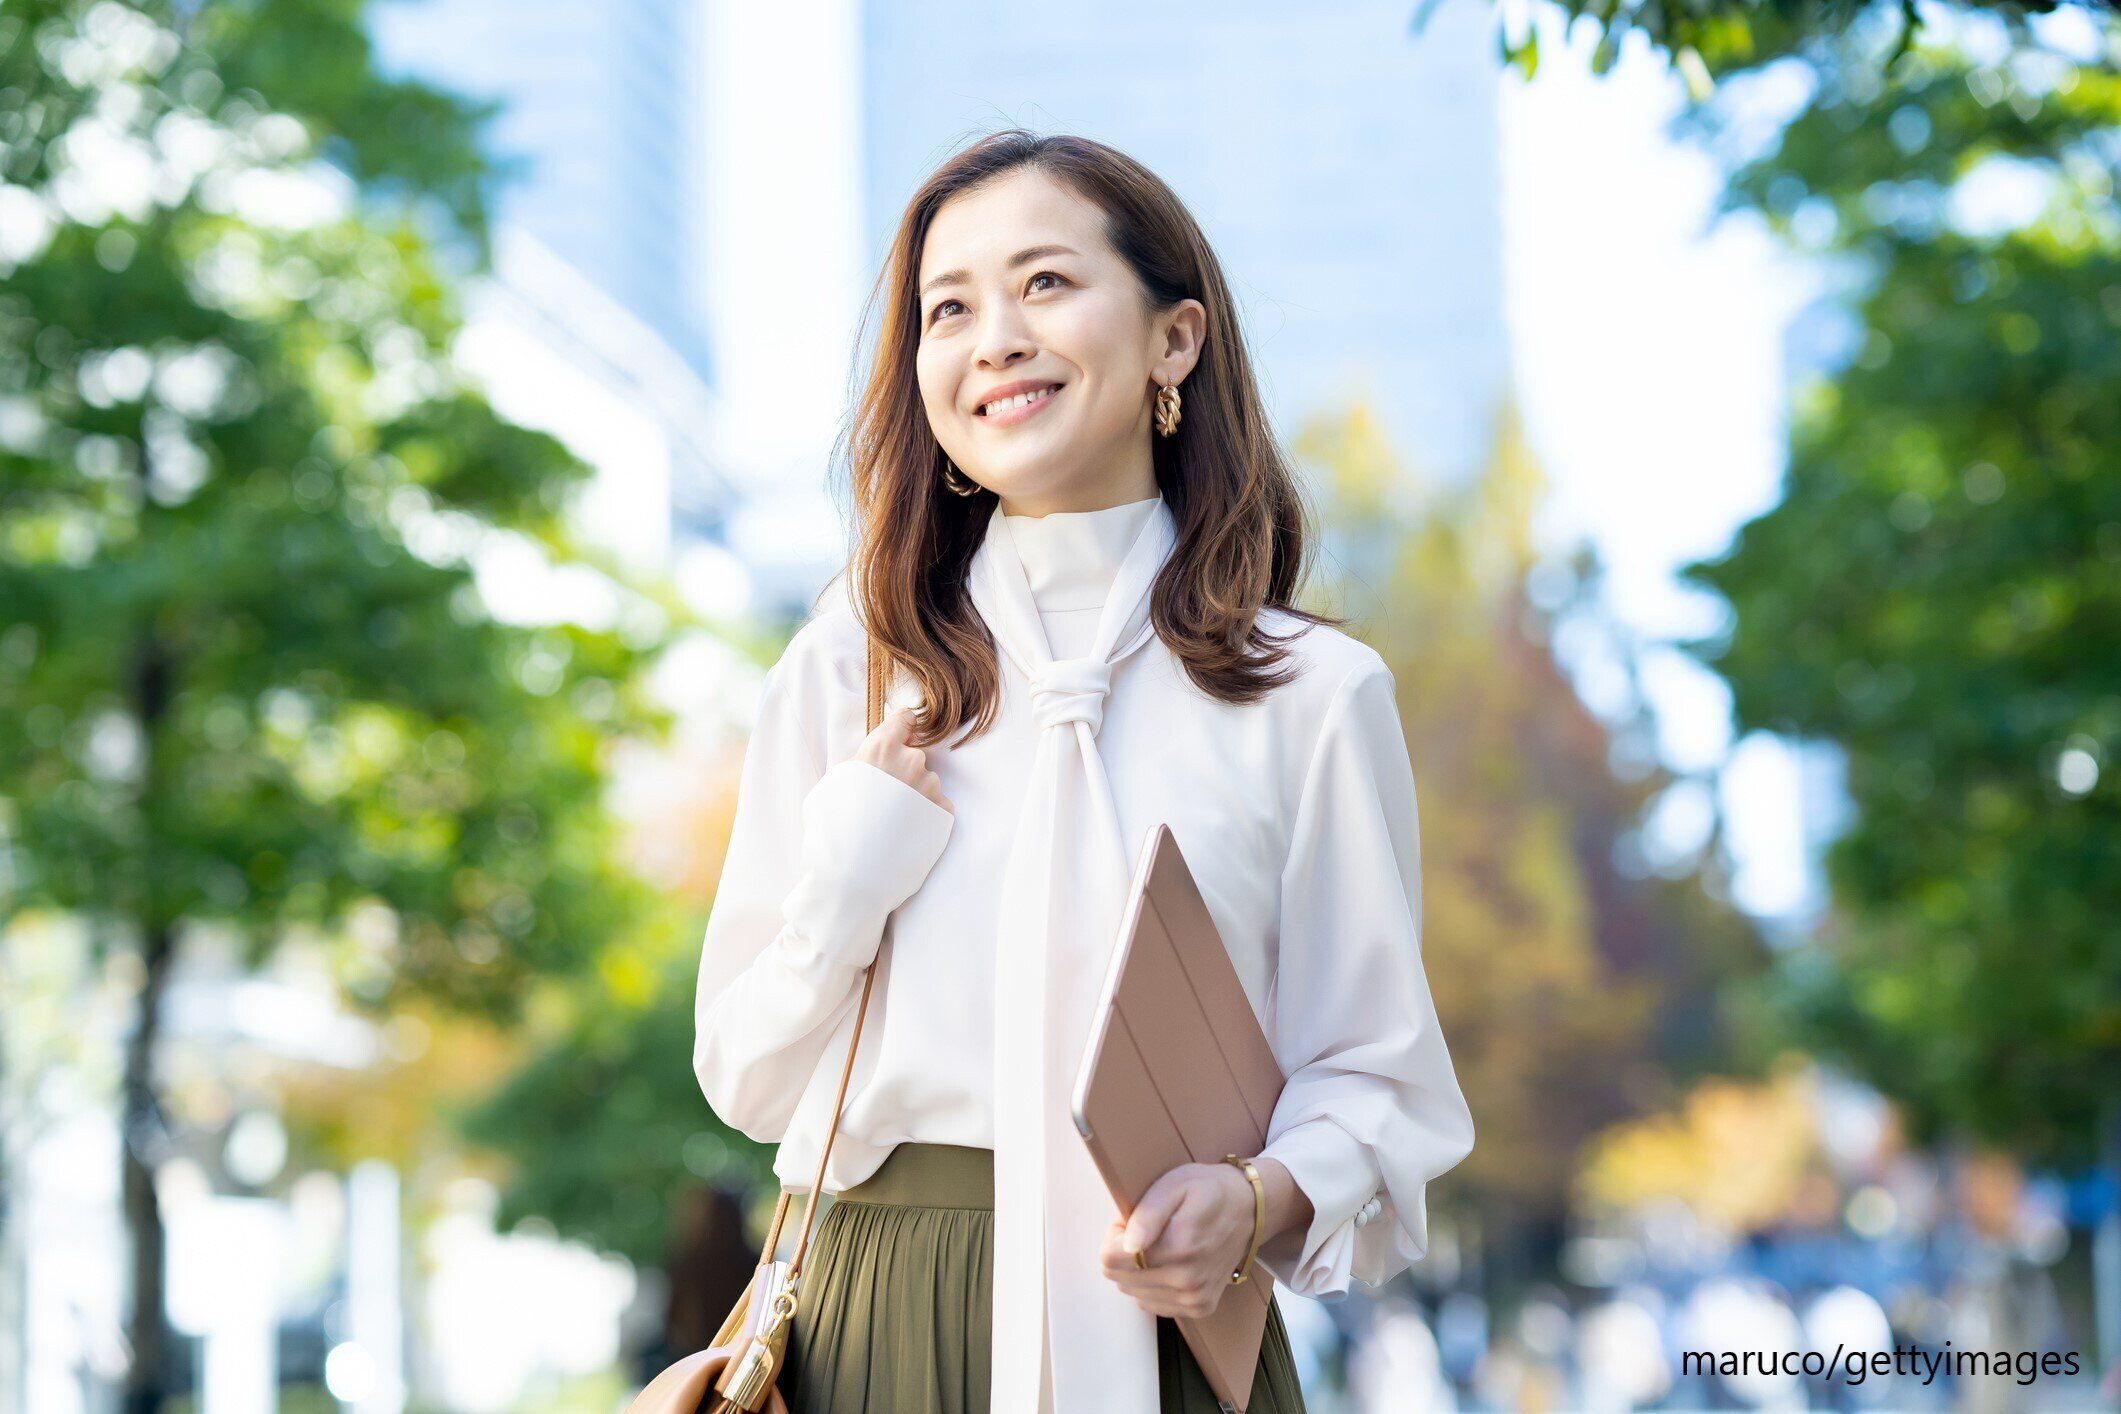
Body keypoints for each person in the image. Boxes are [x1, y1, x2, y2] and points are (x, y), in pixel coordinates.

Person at [692, 128, 1476, 1414]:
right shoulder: (852, 667)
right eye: (950, 308)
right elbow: (748, 1073)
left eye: (1045, 284)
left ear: (1176, 339)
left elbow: (1379, 1076)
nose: (994, 335)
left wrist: (1257, 1197)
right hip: (883, 1319)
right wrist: (854, 868)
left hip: (1174, 1325)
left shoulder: (1312, 695)